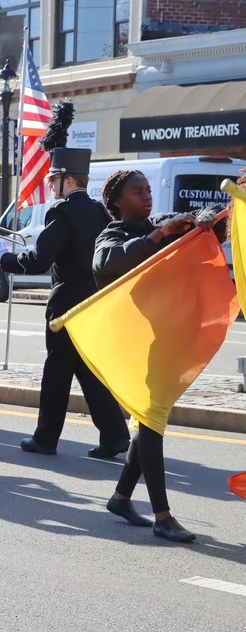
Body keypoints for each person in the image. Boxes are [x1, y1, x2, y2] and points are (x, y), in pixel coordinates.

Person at [93, 169, 222, 543]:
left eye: (149, 190)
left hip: (162, 338)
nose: (147, 197)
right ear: (118, 201)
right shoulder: (111, 235)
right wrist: (163, 233)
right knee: (150, 422)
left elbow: (194, 229)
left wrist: (209, 217)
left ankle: (120, 498)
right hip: (132, 345)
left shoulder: (160, 223)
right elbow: (112, 263)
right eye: (138, 192)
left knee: (152, 419)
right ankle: (162, 516)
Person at [0, 114, 130, 458]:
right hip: (93, 301)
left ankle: (45, 438)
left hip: (66, 303)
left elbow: (39, 260)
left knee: (56, 373)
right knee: (87, 368)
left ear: (67, 181)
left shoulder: (62, 212)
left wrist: (5, 259)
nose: (51, 186)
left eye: (54, 180)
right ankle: (114, 434)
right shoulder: (99, 211)